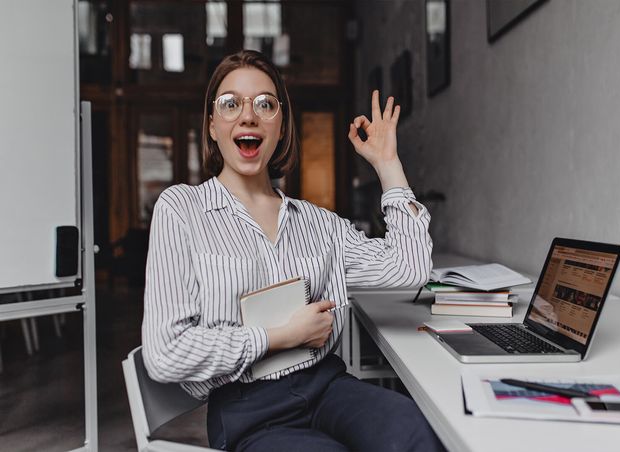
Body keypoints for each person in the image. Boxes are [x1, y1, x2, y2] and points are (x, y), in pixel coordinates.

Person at [142, 50, 440, 452]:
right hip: (247, 411)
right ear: (212, 125)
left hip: (329, 387)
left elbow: (410, 268)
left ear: (280, 126)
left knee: (414, 432)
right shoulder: (181, 210)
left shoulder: (318, 223)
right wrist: (279, 336)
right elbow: (165, 354)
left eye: (265, 104)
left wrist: (387, 164)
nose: (248, 116)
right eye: (230, 104)